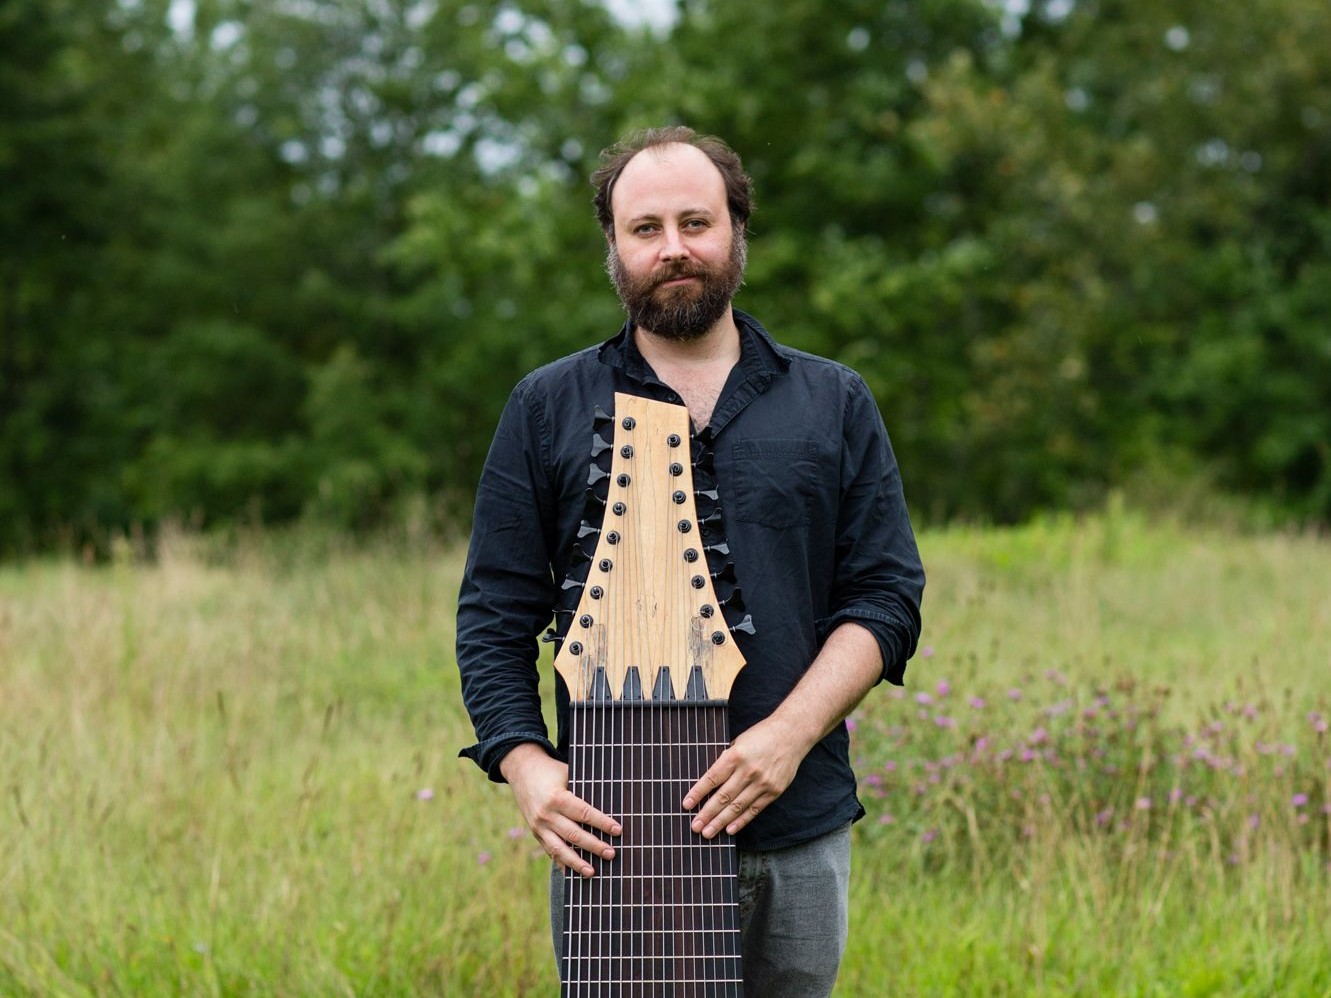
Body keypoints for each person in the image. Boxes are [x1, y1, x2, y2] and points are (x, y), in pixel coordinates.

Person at [456, 125, 925, 996]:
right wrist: (524, 765)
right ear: (613, 247)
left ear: (737, 231)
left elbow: (886, 596)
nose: (673, 248)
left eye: (695, 222)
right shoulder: (546, 407)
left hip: (798, 824)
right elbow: (493, 613)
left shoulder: (832, 400)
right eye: (644, 228)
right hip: (616, 839)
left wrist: (784, 738)